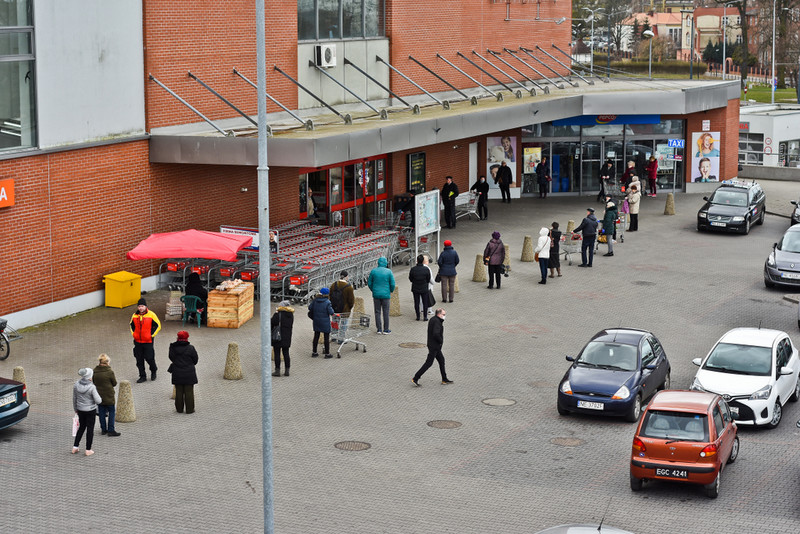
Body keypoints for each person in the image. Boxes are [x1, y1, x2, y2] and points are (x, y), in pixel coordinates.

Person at [412, 308, 453, 386]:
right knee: (429, 363)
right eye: (443, 315)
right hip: (434, 346)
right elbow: (436, 334)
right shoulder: (437, 322)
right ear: (439, 314)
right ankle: (416, 378)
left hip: (433, 345)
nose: (444, 316)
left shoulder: (433, 319)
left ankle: (444, 378)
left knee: (441, 360)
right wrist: (441, 341)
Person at [130, 297, 161, 383]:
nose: (140, 308)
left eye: (142, 306)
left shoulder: (151, 315)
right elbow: (131, 325)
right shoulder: (134, 315)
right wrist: (134, 334)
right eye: (139, 306)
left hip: (148, 342)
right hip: (138, 342)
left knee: (150, 358)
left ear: (146, 306)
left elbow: (158, 325)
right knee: (139, 360)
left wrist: (151, 335)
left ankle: (153, 370)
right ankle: (142, 376)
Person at [72, 367, 102, 456]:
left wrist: (76, 409)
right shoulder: (92, 387)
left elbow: (74, 398)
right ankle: (88, 449)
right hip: (90, 410)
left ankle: (75, 446)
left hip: (80, 409)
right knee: (90, 429)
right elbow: (98, 401)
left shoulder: (76, 385)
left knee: (81, 428)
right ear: (90, 377)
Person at [167, 331, 198, 413]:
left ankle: (179, 409)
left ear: (177, 337)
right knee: (189, 392)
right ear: (187, 338)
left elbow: (171, 357)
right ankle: (190, 409)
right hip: (189, 373)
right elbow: (195, 360)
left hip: (177, 372)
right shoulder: (191, 348)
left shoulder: (173, 347)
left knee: (179, 391)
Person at [93, 354, 120, 437]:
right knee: (111, 412)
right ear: (107, 362)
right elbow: (114, 383)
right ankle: (111, 430)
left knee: (101, 412)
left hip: (99, 395)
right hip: (109, 395)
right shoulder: (109, 372)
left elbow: (94, 382)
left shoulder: (95, 371)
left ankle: (103, 429)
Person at [367, 257, 396, 335]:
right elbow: (392, 284)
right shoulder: (389, 272)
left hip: (376, 295)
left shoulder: (373, 271)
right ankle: (386, 329)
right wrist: (391, 290)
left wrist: (373, 290)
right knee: (386, 312)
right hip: (386, 295)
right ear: (386, 263)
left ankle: (379, 329)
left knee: (377, 312)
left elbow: (369, 283)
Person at [308, 287, 335, 356]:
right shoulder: (327, 302)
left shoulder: (315, 300)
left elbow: (309, 308)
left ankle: (314, 352)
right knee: (326, 338)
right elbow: (331, 312)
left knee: (316, 336)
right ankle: (327, 353)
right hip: (325, 322)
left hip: (316, 321)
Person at [271, 300, 294, 376]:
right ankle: (287, 370)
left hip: (278, 336)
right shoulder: (291, 315)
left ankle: (277, 371)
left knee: (277, 353)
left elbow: (272, 323)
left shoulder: (278, 315)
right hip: (287, 336)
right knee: (286, 353)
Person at [408, 255, 432, 321]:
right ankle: (425, 317)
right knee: (425, 302)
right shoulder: (426, 269)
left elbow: (410, 278)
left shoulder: (413, 269)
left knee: (416, 302)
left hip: (415, 288)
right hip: (424, 288)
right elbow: (428, 279)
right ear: (423, 261)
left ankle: (418, 316)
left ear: (417, 261)